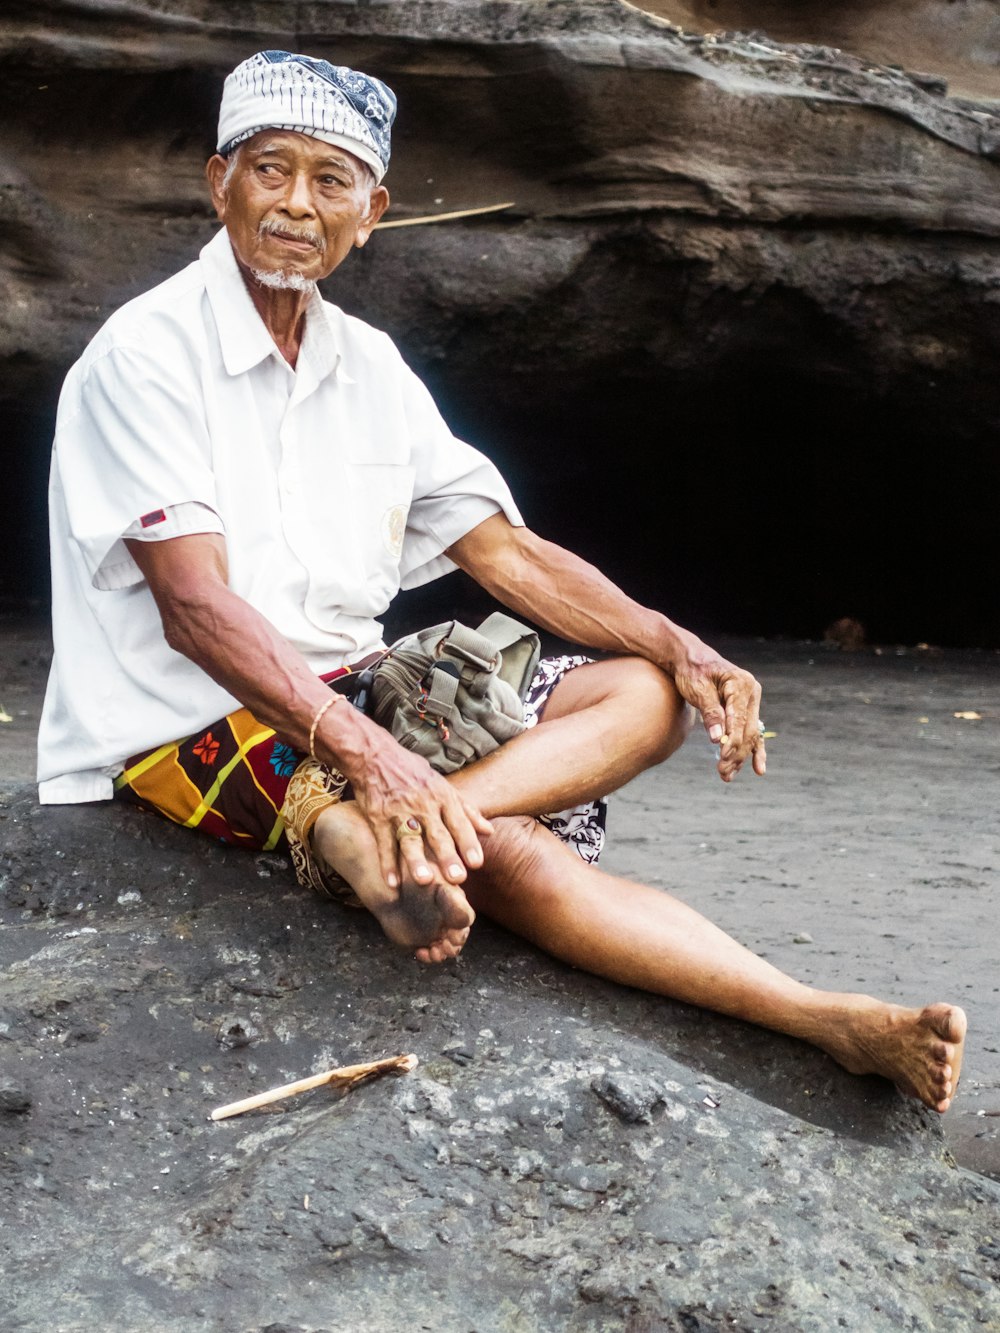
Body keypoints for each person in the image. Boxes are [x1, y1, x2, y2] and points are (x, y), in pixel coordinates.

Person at [38, 51, 964, 1113]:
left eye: (329, 181)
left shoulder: (369, 365)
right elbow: (195, 612)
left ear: (372, 210)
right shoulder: (145, 353)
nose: (296, 204)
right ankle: (818, 1015)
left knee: (640, 692)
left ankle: (400, 837)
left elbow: (504, 552)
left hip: (356, 682)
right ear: (220, 183)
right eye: (270, 171)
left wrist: (678, 645)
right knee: (514, 862)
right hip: (188, 713)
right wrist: (372, 755)